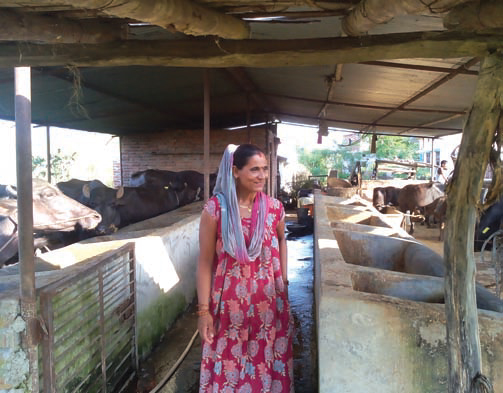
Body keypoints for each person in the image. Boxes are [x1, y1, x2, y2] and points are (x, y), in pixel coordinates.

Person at [197, 144, 294, 393]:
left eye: (264, 169)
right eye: (254, 170)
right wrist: (203, 312)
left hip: (269, 305)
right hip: (229, 308)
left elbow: (283, 239)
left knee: (265, 364)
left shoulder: (274, 208)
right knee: (229, 368)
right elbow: (205, 262)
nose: (262, 175)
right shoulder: (216, 210)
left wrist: (283, 280)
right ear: (235, 171)